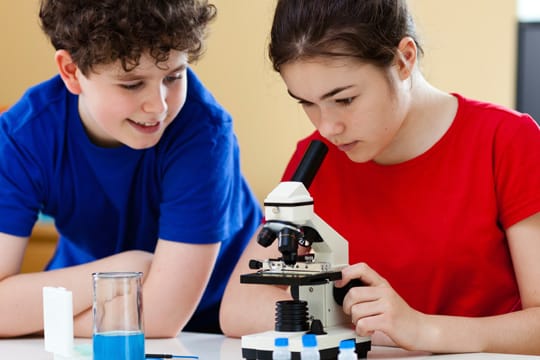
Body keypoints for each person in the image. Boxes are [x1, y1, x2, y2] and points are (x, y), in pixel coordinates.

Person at [220, 0, 540, 355]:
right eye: (306, 103)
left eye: (344, 100)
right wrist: (372, 323)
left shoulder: (509, 142)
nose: (327, 127)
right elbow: (237, 308)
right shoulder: (315, 158)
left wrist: (423, 329)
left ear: (404, 59)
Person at [0, 0, 262, 338]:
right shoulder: (22, 134)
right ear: (71, 71)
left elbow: (159, 319)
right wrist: (127, 268)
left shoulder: (204, 134)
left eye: (174, 76)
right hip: (87, 297)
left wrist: (36, 323)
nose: (159, 106)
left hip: (212, 320)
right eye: (131, 84)